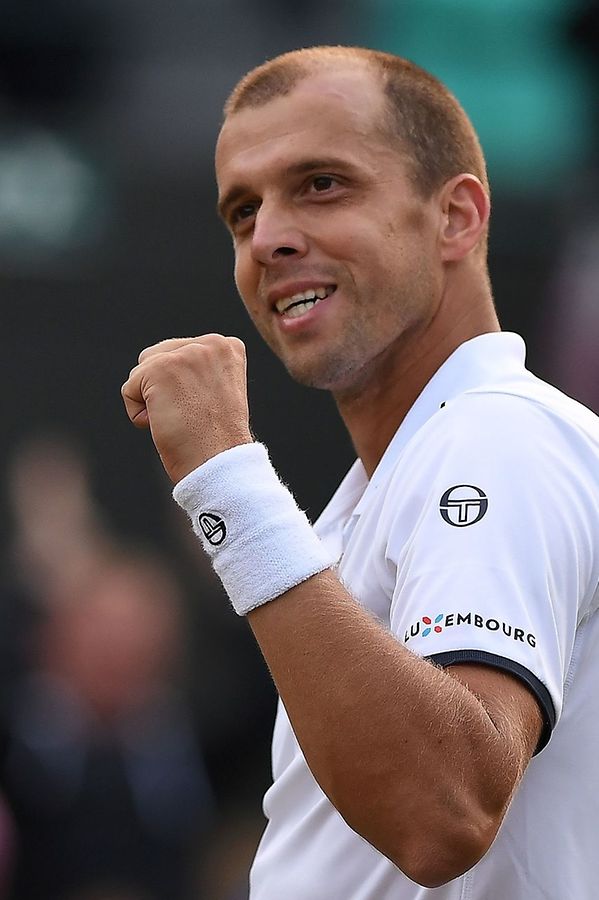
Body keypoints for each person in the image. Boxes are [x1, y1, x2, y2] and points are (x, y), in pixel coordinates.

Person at [121, 46, 599, 899]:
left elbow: (442, 810)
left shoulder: (496, 436)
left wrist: (227, 478)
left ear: (455, 217)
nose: (266, 237)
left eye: (321, 184)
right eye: (241, 212)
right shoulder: (396, 480)